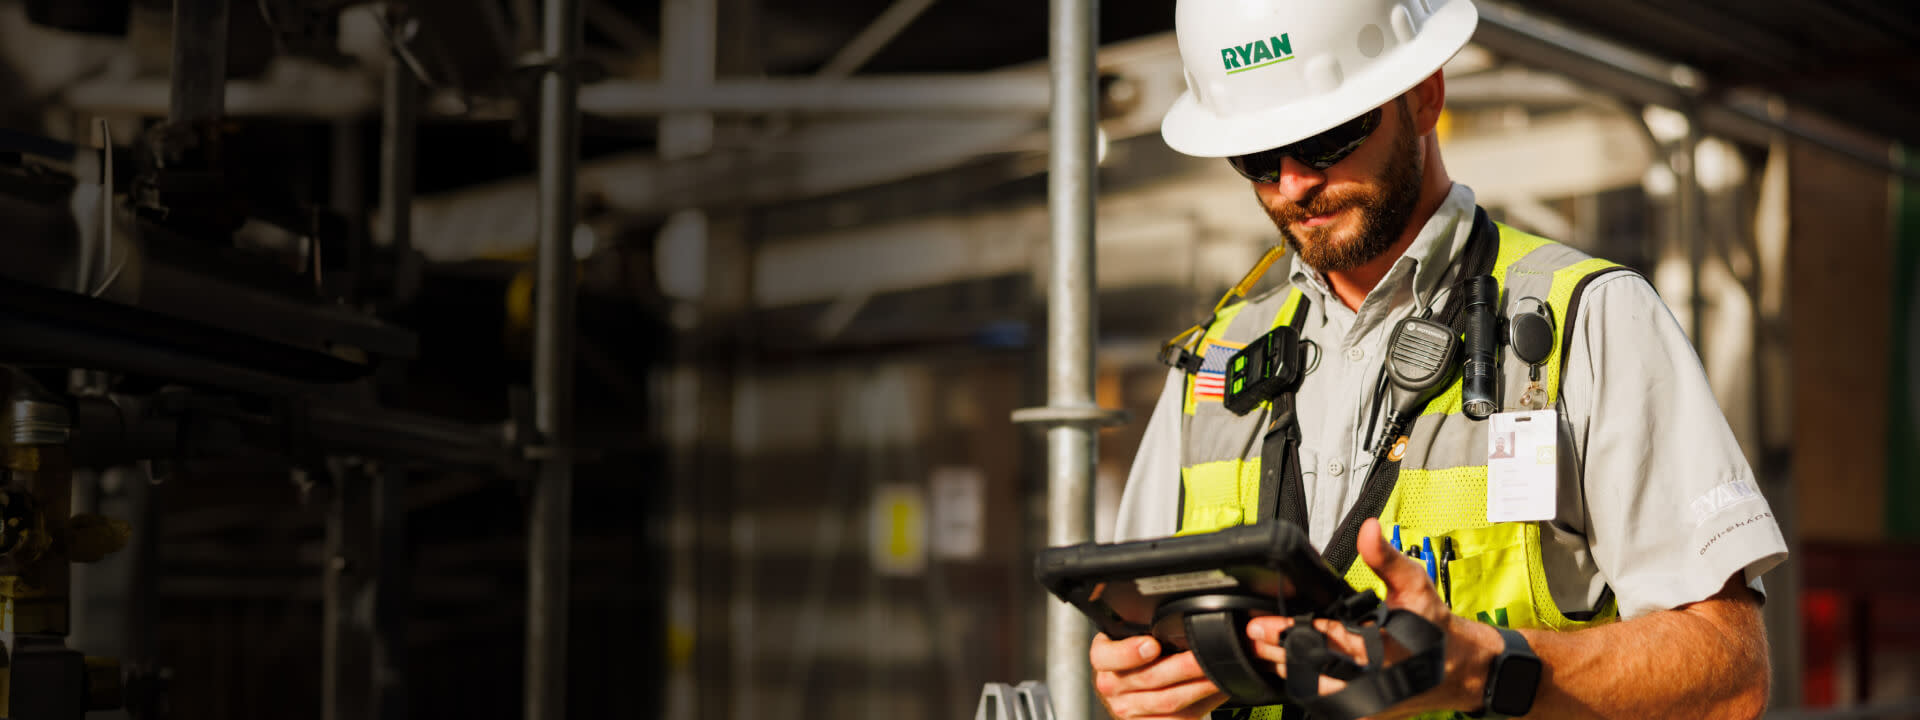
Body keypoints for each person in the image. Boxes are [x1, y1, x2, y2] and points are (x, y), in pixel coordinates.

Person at [1090, 0, 1788, 718]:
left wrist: (1486, 669)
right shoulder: (1215, 361)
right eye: (1258, 159)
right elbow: (1144, 629)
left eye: (1327, 138)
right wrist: (1140, 675)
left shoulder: (1591, 317)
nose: (1294, 183)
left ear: (1425, 94)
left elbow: (1731, 672)